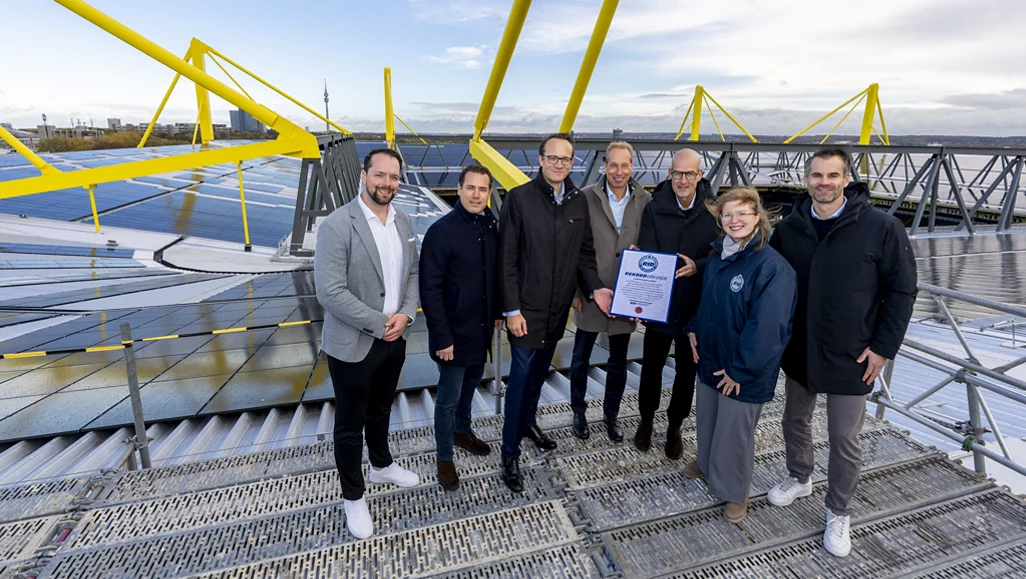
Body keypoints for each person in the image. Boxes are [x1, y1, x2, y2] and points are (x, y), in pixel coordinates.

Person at [767, 148, 917, 557]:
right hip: (800, 347)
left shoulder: (881, 227)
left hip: (854, 353)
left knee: (844, 437)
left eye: (833, 175)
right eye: (816, 175)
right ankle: (800, 476)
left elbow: (901, 292)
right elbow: (770, 281)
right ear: (806, 180)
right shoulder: (789, 228)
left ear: (847, 178)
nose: (824, 182)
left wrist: (883, 348)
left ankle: (839, 510)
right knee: (794, 419)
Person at [314, 148, 421, 540]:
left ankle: (381, 465)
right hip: (355, 342)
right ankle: (353, 496)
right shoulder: (338, 224)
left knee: (381, 408)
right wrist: (380, 323)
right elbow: (329, 291)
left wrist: (406, 315)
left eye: (394, 177)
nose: (387, 184)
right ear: (364, 175)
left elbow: (412, 273)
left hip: (396, 336)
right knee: (349, 424)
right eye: (380, 176)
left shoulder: (404, 221)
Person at [499, 132, 613, 492]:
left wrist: (594, 288)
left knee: (538, 375)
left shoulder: (579, 202)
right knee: (518, 381)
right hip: (526, 311)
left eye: (566, 159)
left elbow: (584, 255)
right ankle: (509, 452)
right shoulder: (519, 199)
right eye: (553, 158)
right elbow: (507, 261)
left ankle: (529, 424)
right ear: (540, 159)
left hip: (558, 309)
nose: (560, 164)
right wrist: (512, 310)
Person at [685, 187, 797, 524]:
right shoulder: (719, 255)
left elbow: (768, 329)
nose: (735, 220)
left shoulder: (772, 267)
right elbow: (709, 302)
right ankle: (706, 464)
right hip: (711, 356)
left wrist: (740, 371)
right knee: (708, 419)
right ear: (720, 219)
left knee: (735, 433)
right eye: (728, 214)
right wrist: (693, 328)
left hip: (743, 369)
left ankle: (735, 492)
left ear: (758, 218)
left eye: (742, 213)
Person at [419, 164, 502, 492]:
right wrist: (442, 336)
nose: (476, 195)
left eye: (483, 189)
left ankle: (461, 432)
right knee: (449, 398)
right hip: (452, 334)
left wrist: (496, 312)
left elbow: (492, 275)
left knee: (470, 386)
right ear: (459, 188)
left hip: (479, 329)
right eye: (471, 188)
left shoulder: (491, 225)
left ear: (490, 192)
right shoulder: (442, 231)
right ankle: (444, 456)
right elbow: (430, 289)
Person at [634, 149, 719, 458]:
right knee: (651, 368)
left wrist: (697, 265)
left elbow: (720, 253)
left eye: (689, 174)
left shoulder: (714, 210)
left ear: (700, 175)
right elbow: (648, 251)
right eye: (677, 174)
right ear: (669, 174)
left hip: (694, 308)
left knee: (686, 372)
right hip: (659, 303)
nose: (683, 180)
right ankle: (646, 420)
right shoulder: (655, 208)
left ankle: (674, 427)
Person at [569, 141, 652, 442]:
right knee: (580, 358)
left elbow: (651, 244)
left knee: (618, 361)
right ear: (604, 165)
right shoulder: (584, 197)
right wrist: (576, 292)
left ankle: (611, 415)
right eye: (613, 165)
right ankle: (578, 411)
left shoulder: (645, 200)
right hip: (591, 289)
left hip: (626, 293)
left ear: (632, 167)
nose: (619, 171)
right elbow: (572, 248)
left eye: (625, 165)